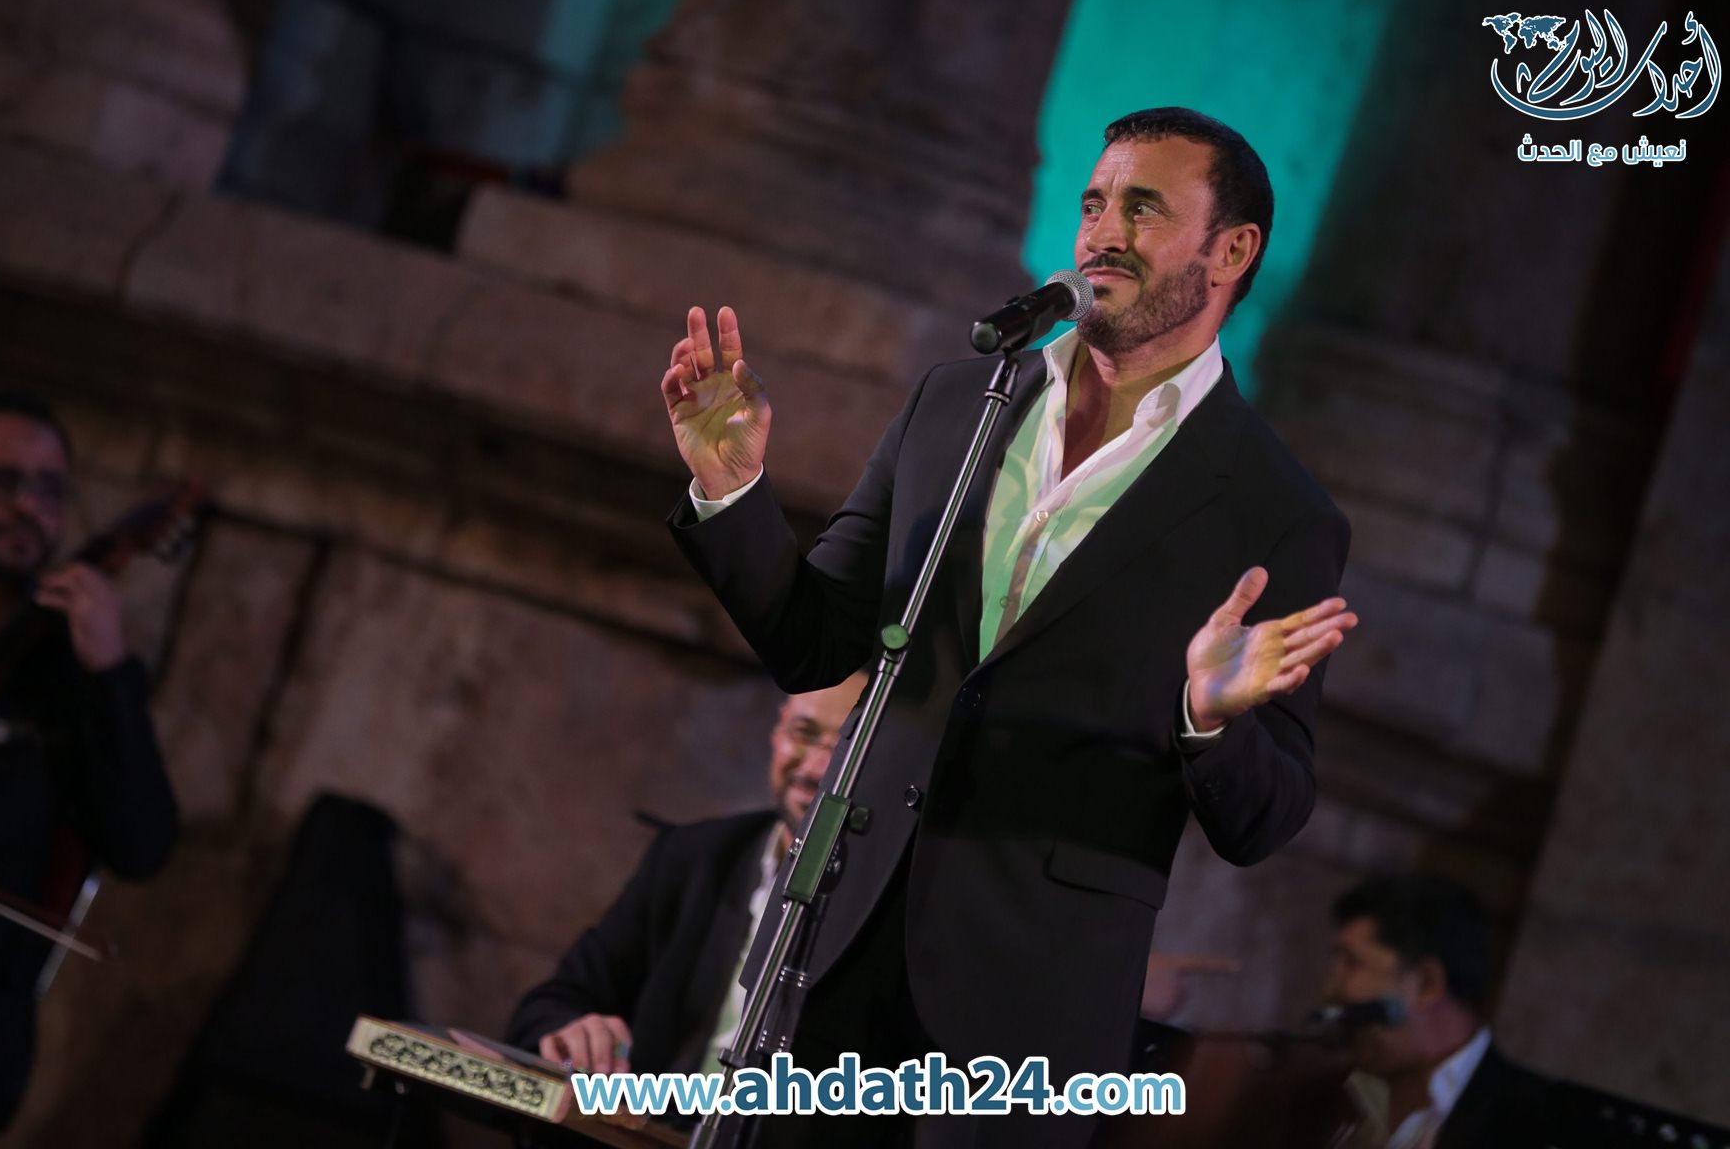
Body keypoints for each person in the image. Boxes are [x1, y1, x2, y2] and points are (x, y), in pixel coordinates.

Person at [660, 107, 1358, 1147]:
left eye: (1143, 207)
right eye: (1094, 203)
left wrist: (1208, 719)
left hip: (1026, 1014)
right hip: (837, 948)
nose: (1103, 232)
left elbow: (1266, 817)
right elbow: (816, 641)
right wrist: (734, 493)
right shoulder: (958, 405)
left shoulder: (1276, 509)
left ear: (1232, 250)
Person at [0, 392, 178, 1144]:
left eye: (49, 489)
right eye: (1, 481)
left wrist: (109, 669)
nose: (27, 507)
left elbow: (140, 843)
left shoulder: (69, 679)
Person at [506, 673, 869, 1079]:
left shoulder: (889, 912)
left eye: (847, 748)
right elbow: (550, 1006)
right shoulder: (695, 858)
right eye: (804, 733)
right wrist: (573, 1034)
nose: (817, 768)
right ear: (777, 729)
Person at [1324, 875, 1550, 1149]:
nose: (1331, 990)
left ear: (1427, 984)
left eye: (1351, 963)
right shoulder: (1324, 1097)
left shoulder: (1538, 1125)